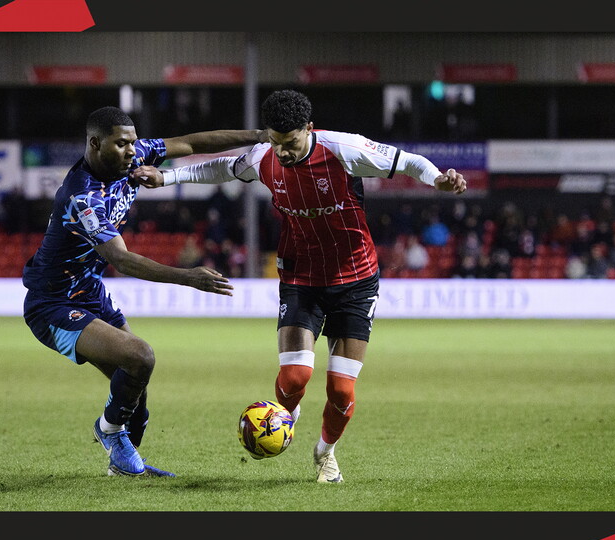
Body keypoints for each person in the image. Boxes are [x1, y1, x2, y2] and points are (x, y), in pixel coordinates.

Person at [133, 89, 467, 483]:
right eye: (275, 142)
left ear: (308, 129)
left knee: (341, 391)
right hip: (300, 277)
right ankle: (286, 415)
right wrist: (167, 176)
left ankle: (325, 452)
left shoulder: (344, 149)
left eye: (289, 143)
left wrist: (437, 179)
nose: (282, 152)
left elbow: (407, 161)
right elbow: (220, 168)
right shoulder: (264, 156)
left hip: (355, 280)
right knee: (294, 380)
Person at [22, 106, 264, 478]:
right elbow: (123, 260)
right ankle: (107, 430)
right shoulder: (82, 197)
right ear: (95, 143)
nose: (132, 151)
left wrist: (258, 135)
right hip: (51, 304)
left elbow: (190, 142)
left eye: (134, 143)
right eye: (121, 145)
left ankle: (123, 467)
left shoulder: (131, 154)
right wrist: (188, 277)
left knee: (136, 389)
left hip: (89, 293)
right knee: (141, 356)